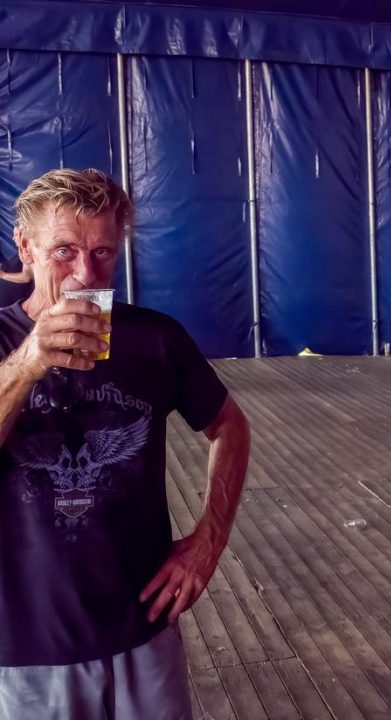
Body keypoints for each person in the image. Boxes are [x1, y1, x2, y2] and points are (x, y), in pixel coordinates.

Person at [0, 168, 250, 720]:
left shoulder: (155, 337)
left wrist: (209, 540)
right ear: (26, 248)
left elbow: (230, 425)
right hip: (24, 644)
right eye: (64, 251)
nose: (86, 274)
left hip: (143, 624)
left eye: (103, 253)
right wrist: (29, 361)